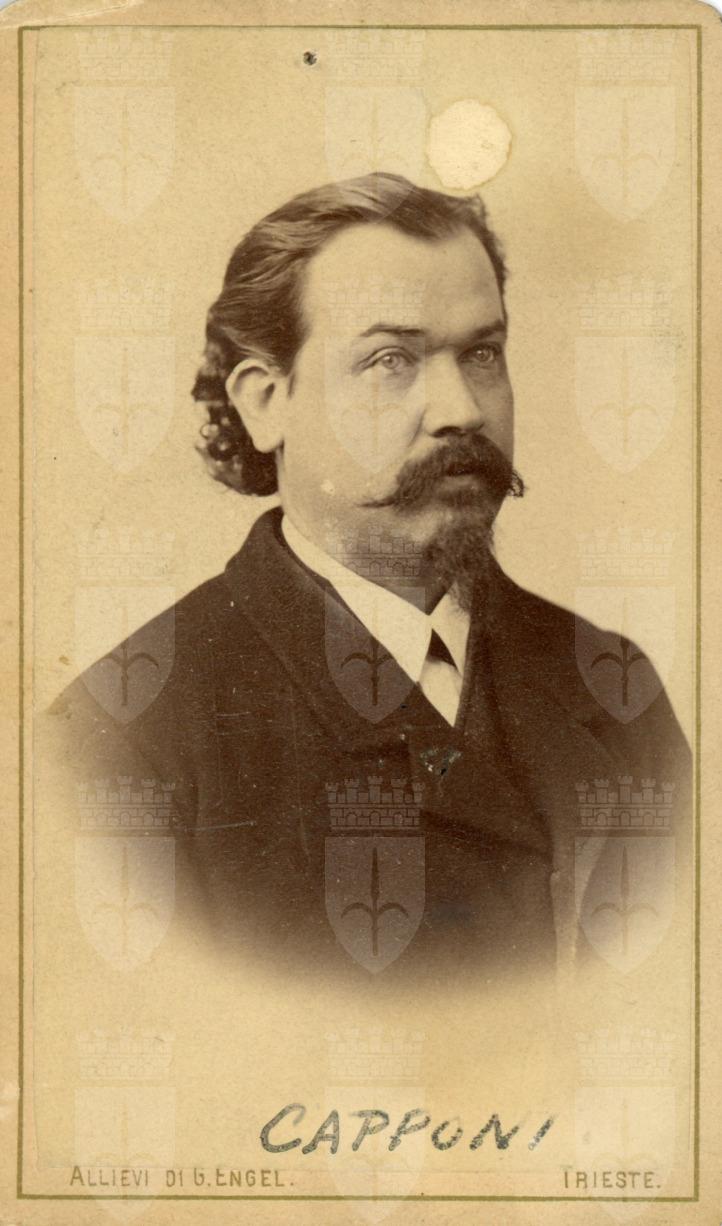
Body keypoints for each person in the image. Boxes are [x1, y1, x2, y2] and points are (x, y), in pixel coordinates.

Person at [48, 173, 690, 984]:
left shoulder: (614, 686)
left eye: (482, 353)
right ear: (264, 403)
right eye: (391, 360)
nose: (462, 410)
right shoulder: (118, 742)